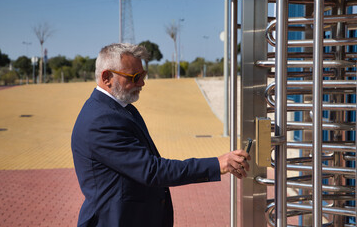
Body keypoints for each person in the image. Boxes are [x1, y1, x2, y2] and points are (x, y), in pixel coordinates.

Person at [71, 43, 251, 227]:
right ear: (107, 77)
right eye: (135, 77)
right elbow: (152, 171)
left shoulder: (122, 109)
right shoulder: (100, 121)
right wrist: (216, 164)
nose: (142, 83)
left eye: (143, 75)